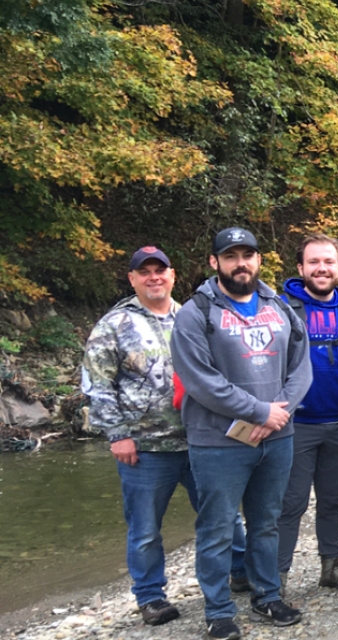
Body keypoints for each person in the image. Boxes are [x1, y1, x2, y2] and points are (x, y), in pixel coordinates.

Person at [81, 247, 246, 627]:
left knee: (224, 516)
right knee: (144, 528)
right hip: (145, 447)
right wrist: (117, 435)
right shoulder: (115, 324)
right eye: (145, 272)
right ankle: (151, 596)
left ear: (172, 275)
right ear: (133, 278)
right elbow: (97, 384)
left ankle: (240, 571)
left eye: (161, 270)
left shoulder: (195, 315)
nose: (154, 277)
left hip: (203, 439)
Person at [171, 228, 313, 639]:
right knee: (216, 527)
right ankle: (218, 610)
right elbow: (200, 380)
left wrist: (280, 409)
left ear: (259, 259)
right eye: (230, 256)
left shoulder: (279, 306)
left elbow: (301, 365)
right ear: (215, 262)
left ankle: (267, 595)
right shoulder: (195, 313)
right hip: (219, 442)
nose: (241, 263)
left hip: (277, 436)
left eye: (247, 255)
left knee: (266, 521)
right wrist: (259, 410)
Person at [276, 234, 338, 596]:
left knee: (333, 501)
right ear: (300, 268)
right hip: (296, 425)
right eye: (314, 262)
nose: (322, 268)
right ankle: (275, 578)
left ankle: (332, 567)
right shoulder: (282, 309)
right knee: (290, 504)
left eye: (329, 262)